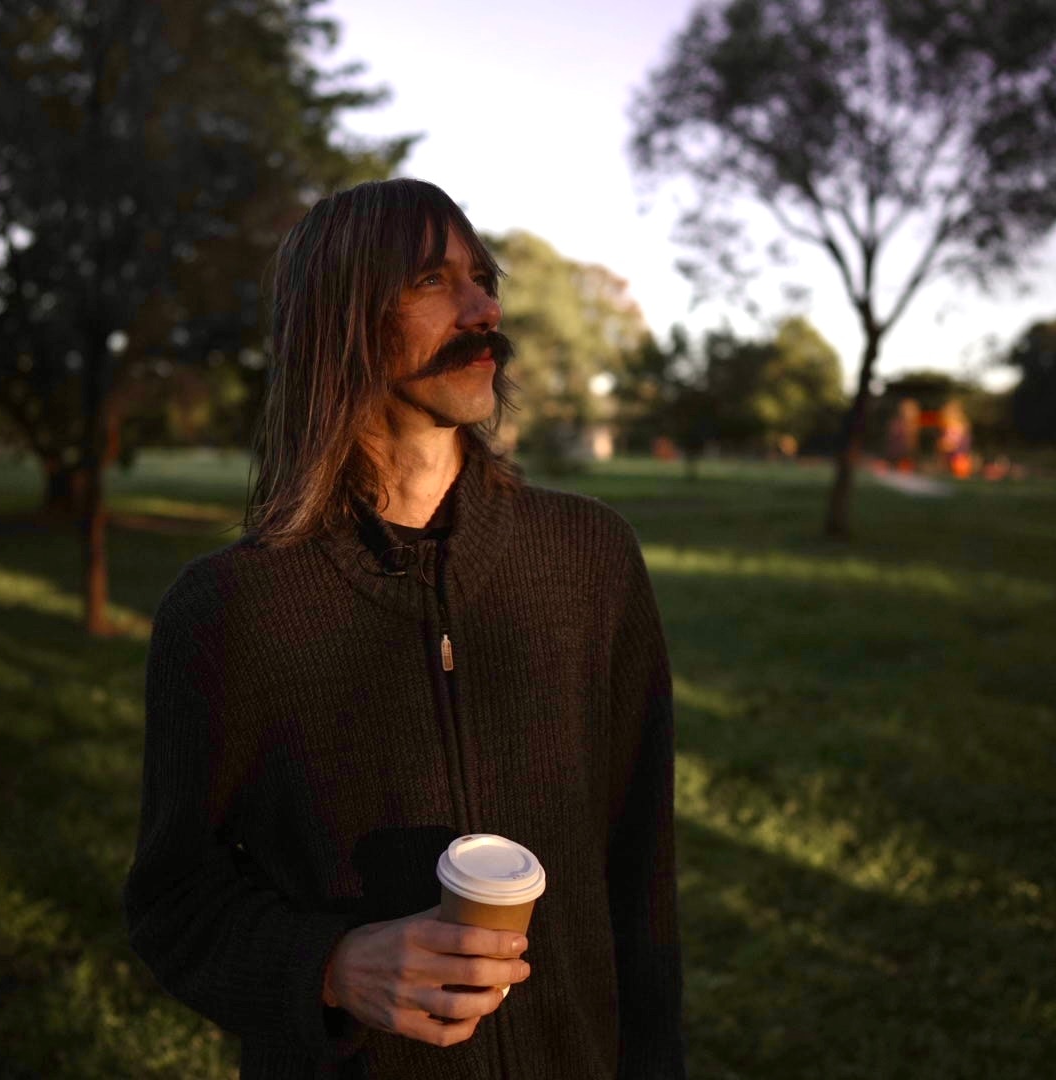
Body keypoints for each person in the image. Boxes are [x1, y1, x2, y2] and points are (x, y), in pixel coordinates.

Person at [123, 178, 683, 1078]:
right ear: (338, 322)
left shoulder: (591, 558)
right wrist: (332, 967)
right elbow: (175, 900)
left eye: (482, 278)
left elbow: (642, 877)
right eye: (431, 281)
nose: (484, 309)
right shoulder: (231, 608)